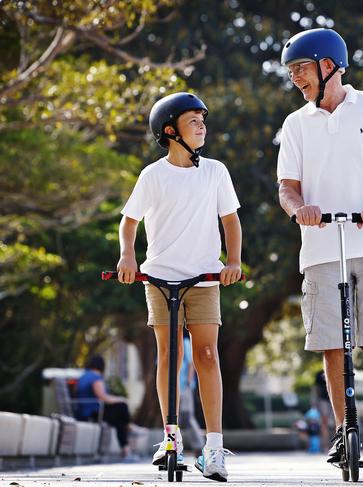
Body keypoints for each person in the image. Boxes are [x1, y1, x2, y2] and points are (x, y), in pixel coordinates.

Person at [277, 28, 363, 476]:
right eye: (291, 70)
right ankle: (342, 428)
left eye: (301, 68)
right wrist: (300, 211)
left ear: (329, 65)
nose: (295, 77)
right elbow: (287, 188)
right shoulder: (295, 124)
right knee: (331, 344)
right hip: (320, 248)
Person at [116, 91, 242, 482]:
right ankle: (170, 438)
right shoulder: (153, 175)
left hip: (204, 277)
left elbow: (230, 222)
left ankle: (214, 448)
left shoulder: (215, 171)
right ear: (170, 131)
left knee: (206, 354)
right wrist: (127, 256)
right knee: (169, 355)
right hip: (159, 276)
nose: (202, 124)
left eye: (204, 119)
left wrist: (233, 261)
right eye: (193, 120)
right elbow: (129, 221)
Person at [75, 355, 132, 458]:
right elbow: (102, 396)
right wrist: (120, 399)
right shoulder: (95, 377)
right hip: (94, 414)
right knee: (122, 406)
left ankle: (126, 449)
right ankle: (129, 428)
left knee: (120, 422)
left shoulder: (84, 376)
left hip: (84, 412)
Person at [179, 332, 204, 454]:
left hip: (184, 386)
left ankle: (198, 445)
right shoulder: (166, 341)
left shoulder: (185, 342)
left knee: (187, 416)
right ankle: (174, 446)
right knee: (172, 417)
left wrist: (188, 383)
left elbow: (191, 363)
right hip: (172, 387)